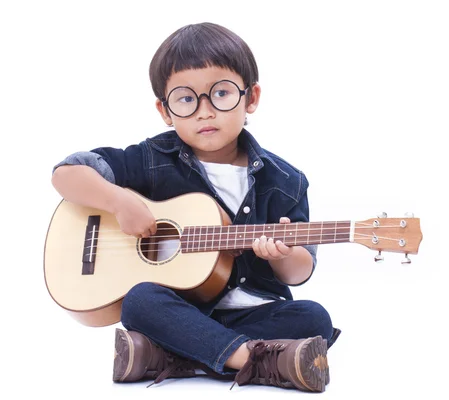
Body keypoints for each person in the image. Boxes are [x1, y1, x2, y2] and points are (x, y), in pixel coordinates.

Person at [50, 22, 340, 392]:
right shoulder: (153, 158)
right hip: (180, 308)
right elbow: (66, 175)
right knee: (139, 301)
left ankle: (168, 355)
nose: (205, 111)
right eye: (186, 99)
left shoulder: (287, 181)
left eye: (220, 94)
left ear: (250, 98)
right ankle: (255, 360)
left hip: (254, 312)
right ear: (165, 110)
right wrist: (118, 201)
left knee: (313, 317)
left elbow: (299, 271)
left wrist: (280, 256)